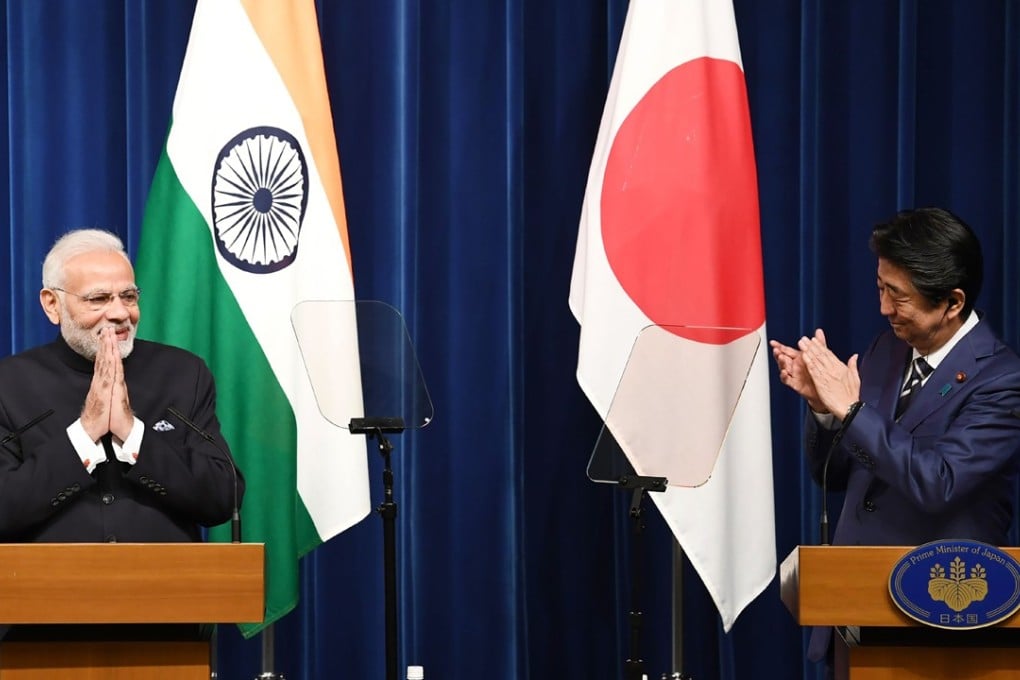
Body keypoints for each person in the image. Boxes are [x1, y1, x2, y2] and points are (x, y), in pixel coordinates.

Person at [770, 207, 1020, 669]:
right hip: (856, 612)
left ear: (952, 302)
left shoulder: (1002, 381)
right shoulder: (887, 350)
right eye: (881, 288)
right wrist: (825, 410)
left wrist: (852, 409)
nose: (884, 308)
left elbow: (938, 482)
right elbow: (838, 474)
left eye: (898, 296)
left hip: (937, 623)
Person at [0, 228, 242, 544]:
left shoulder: (183, 374)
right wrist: (85, 434)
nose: (119, 313)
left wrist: (132, 433)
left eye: (128, 297)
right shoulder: (10, 384)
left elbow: (223, 499)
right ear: (52, 305)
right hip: (51, 588)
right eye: (98, 299)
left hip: (168, 586)